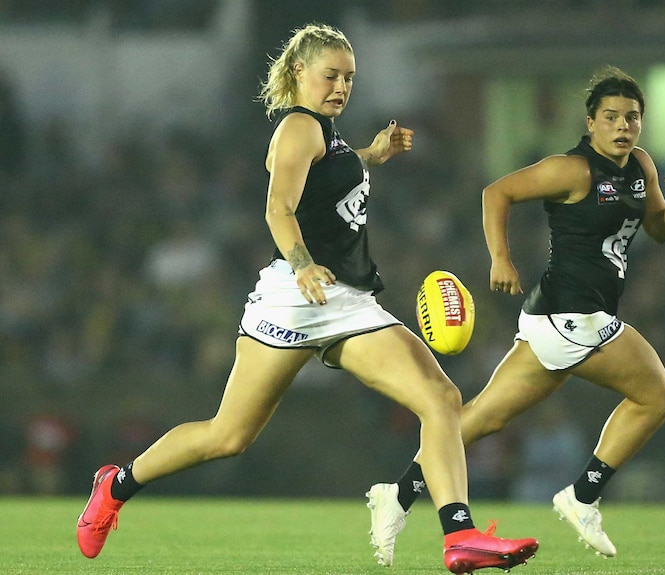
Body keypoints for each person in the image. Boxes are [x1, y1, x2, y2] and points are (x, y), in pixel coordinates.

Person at [75, 23, 538, 574]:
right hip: (296, 298)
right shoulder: (298, 127)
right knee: (228, 435)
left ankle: (459, 536)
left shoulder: (328, 133)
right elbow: (279, 207)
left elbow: (328, 179)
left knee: (439, 398)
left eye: (349, 77)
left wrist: (370, 152)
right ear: (299, 72)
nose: (341, 86)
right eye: (330, 75)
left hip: (348, 300)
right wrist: (301, 265)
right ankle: (117, 484)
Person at [367, 66, 665, 563]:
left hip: (553, 318)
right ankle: (582, 496)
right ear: (591, 123)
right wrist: (500, 256)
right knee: (657, 398)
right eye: (611, 117)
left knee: (478, 420)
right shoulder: (573, 169)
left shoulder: (640, 166)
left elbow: (656, 227)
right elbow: (496, 192)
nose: (623, 126)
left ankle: (399, 494)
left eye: (632, 117)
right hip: (573, 317)